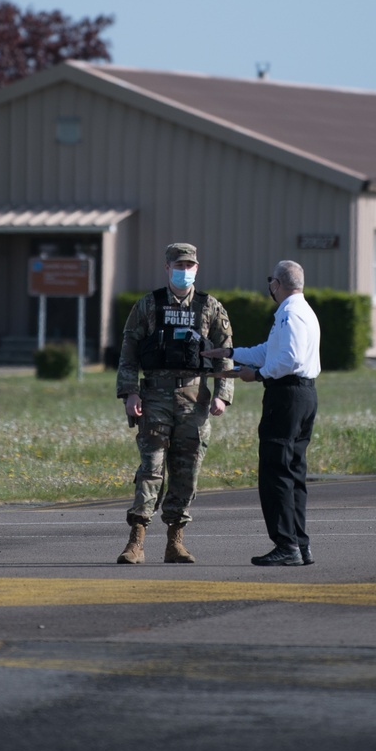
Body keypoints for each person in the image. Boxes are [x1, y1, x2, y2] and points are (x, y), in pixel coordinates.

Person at [115, 242, 234, 565]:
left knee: (187, 470)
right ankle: (136, 541)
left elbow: (225, 351)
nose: (184, 271)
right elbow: (129, 352)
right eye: (178, 266)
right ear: (167, 268)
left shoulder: (210, 307)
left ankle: (175, 542)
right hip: (154, 396)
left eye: (189, 266)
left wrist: (223, 394)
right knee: (151, 468)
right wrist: (130, 393)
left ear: (197, 268)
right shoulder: (147, 305)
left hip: (194, 399)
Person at [206, 258, 320, 567]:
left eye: (271, 282)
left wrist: (258, 375)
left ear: (277, 284)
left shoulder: (289, 314)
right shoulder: (301, 311)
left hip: (286, 395)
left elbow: (288, 359)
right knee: (293, 471)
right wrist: (231, 353)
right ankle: (299, 543)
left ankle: (286, 545)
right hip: (303, 394)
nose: (270, 287)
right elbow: (268, 352)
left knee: (276, 472)